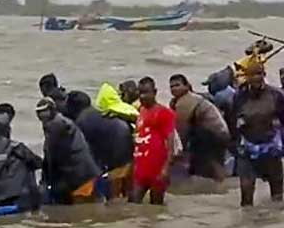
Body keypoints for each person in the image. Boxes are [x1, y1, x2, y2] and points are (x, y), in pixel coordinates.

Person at [227, 63, 284, 206]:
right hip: (247, 149)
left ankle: (276, 218)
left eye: (259, 74)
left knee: (277, 194)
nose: (256, 78)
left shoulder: (275, 95)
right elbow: (231, 122)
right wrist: (234, 145)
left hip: (270, 147)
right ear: (247, 77)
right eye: (253, 75)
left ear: (264, 75)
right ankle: (247, 219)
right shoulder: (239, 97)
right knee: (246, 193)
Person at [66, 90, 135, 197]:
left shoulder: (81, 121)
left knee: (112, 193)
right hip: (128, 148)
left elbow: (85, 152)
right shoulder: (95, 112)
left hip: (118, 154)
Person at [35, 98, 102, 204]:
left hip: (80, 174)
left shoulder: (56, 124)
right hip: (82, 171)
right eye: (39, 113)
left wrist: (46, 180)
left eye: (45, 112)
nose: (42, 115)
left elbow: (52, 154)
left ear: (52, 110)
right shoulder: (57, 122)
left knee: (82, 206)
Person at [168, 74, 229, 180]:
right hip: (218, 133)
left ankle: (219, 181)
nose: (174, 89)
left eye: (177, 85)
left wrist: (176, 153)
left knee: (210, 160)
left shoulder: (185, 101)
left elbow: (181, 130)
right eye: (171, 87)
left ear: (186, 86)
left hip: (213, 134)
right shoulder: (190, 98)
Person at [130, 76, 176, 205]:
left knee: (156, 206)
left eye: (146, 92)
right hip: (141, 168)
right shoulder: (141, 111)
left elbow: (171, 143)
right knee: (133, 203)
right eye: (140, 93)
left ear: (154, 92)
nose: (142, 96)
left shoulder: (165, 113)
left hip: (157, 169)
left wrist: (166, 168)